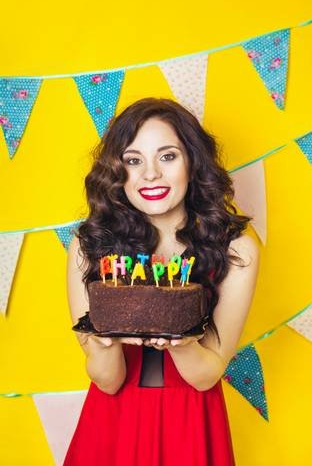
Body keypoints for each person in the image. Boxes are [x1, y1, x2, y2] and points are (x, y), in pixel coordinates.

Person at [64, 98, 258, 466]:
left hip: (191, 420)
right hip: (113, 423)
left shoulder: (236, 248)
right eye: (133, 160)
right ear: (117, 171)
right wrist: (104, 341)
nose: (150, 174)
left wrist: (181, 341)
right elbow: (107, 381)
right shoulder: (89, 245)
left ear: (192, 162)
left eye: (167, 156)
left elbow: (206, 376)